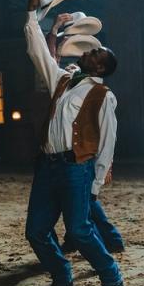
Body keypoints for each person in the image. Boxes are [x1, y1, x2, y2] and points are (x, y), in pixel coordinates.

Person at [24, 0, 123, 286]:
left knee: (79, 230)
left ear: (101, 67)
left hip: (76, 168)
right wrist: (33, 13)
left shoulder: (102, 94)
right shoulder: (63, 80)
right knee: (36, 231)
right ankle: (62, 279)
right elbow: (38, 52)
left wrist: (96, 182)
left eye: (97, 53)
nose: (90, 51)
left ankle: (112, 279)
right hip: (47, 165)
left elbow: (108, 141)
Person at [45, 13, 125, 254]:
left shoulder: (97, 88)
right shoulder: (74, 72)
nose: (88, 53)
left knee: (86, 200)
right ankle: (89, 239)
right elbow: (50, 59)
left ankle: (110, 240)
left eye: (95, 53)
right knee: (80, 202)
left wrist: (103, 168)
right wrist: (54, 33)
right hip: (74, 151)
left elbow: (108, 135)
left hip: (82, 153)